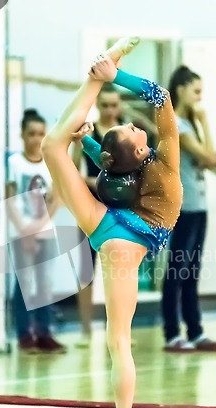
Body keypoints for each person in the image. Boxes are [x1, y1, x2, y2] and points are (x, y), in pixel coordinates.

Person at [41, 37, 182, 408]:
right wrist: (115, 75)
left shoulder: (124, 167)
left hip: (107, 228)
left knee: (51, 147)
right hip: (129, 239)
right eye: (135, 130)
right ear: (140, 149)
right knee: (121, 341)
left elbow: (113, 164)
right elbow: (162, 96)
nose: (140, 127)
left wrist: (87, 141)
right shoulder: (165, 161)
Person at [73, 83, 157, 347]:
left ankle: (120, 330)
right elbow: (75, 172)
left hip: (121, 212)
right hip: (93, 209)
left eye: (114, 105)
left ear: (120, 105)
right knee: (87, 271)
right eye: (105, 105)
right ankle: (86, 329)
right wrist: (98, 181)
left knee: (121, 273)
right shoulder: (95, 135)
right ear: (98, 106)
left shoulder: (130, 136)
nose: (110, 110)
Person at [161, 66, 216, 353]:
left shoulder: (189, 124)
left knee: (192, 271)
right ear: (182, 89)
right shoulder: (177, 125)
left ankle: (195, 330)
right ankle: (172, 332)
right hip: (182, 209)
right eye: (196, 90)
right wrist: (205, 122)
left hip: (199, 206)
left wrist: (206, 142)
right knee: (177, 270)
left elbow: (211, 158)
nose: (200, 97)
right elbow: (208, 156)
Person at [7, 109, 66, 353]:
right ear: (22, 135)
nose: (36, 138)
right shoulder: (15, 163)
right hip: (21, 230)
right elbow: (10, 197)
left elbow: (56, 197)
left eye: (40, 134)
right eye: (31, 133)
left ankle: (44, 333)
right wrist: (24, 229)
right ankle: (24, 334)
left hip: (45, 230)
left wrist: (41, 224)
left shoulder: (50, 162)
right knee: (23, 282)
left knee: (44, 283)